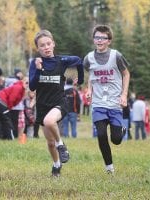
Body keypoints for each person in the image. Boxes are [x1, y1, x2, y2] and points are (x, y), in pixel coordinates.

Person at [29, 29, 84, 177]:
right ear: (38, 48)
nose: (46, 47)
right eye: (42, 45)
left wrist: (82, 79)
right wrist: (39, 70)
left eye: (48, 44)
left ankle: (62, 145)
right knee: (50, 143)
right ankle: (56, 164)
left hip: (59, 102)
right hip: (42, 105)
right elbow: (32, 87)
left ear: (53, 44)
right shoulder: (35, 63)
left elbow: (79, 60)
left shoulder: (62, 61)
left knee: (49, 122)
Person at [84, 25, 130, 174]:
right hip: (98, 104)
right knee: (101, 134)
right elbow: (90, 75)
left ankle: (122, 129)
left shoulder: (116, 56)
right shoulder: (89, 58)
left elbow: (126, 74)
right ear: (94, 39)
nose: (99, 40)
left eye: (103, 38)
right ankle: (109, 167)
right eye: (97, 37)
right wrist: (89, 90)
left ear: (109, 41)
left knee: (116, 139)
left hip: (115, 103)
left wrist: (124, 95)